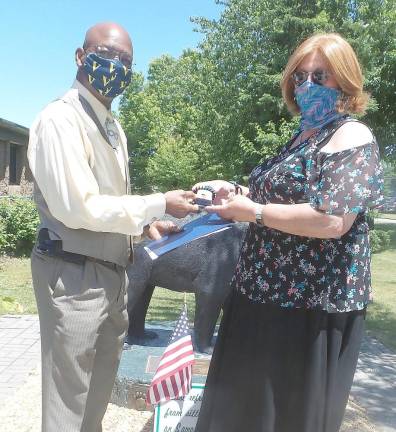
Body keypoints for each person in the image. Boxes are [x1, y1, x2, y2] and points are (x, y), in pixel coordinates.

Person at [193, 33, 383, 432]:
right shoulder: (301, 138)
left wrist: (255, 211)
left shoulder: (352, 136)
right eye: (300, 76)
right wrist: (238, 192)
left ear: (344, 82)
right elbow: (284, 195)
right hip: (260, 295)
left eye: (320, 75)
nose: (307, 85)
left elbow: (332, 220)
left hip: (308, 310)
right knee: (243, 414)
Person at [27, 22, 198, 432]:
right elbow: (76, 208)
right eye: (107, 54)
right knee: (68, 402)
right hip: (73, 277)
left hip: (112, 276)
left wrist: (145, 228)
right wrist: (158, 202)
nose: (117, 65)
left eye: (126, 61)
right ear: (80, 56)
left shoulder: (111, 127)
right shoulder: (60, 120)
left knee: (96, 400)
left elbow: (106, 206)